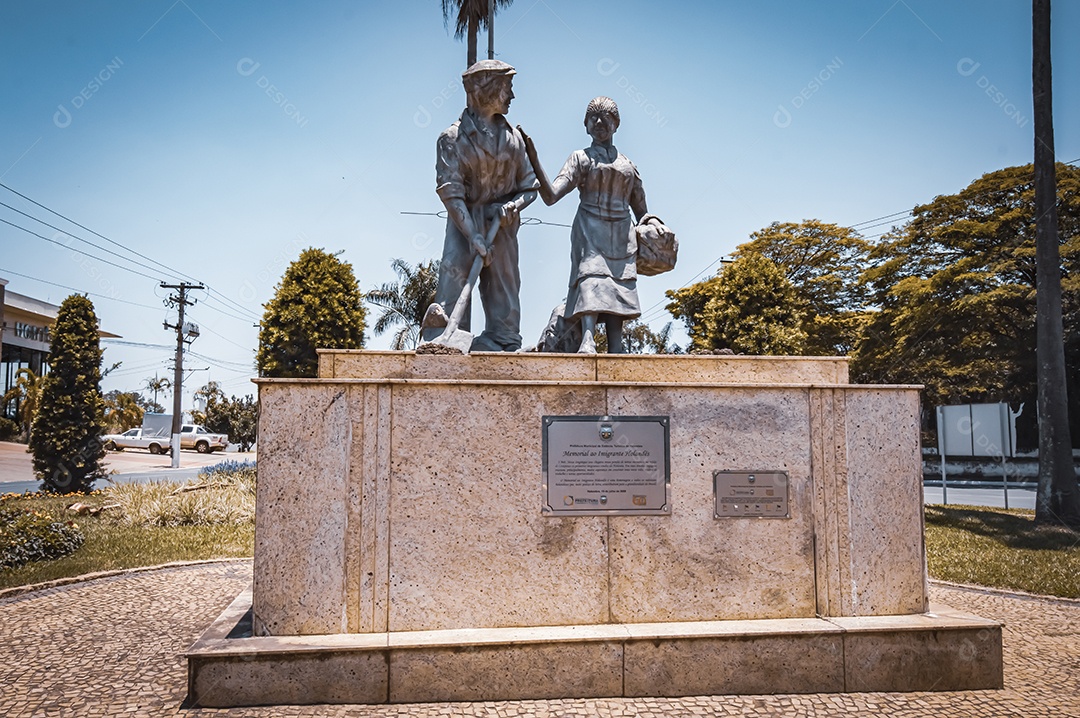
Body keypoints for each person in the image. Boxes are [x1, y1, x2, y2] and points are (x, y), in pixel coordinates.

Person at [520, 96, 656, 353]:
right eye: (593, 117)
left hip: (621, 234)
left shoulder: (628, 166)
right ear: (585, 125)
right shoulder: (580, 158)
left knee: (617, 285)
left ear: (617, 124)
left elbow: (642, 212)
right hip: (589, 230)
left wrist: (654, 225)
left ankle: (616, 345)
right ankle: (588, 339)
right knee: (591, 279)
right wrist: (534, 160)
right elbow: (551, 196)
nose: (599, 122)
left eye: (606, 117)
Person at [422, 59, 538, 352]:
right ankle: (445, 334)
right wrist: (472, 234)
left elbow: (530, 188)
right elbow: (451, 193)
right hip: (464, 223)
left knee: (506, 296)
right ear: (487, 90)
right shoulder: (452, 139)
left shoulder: (514, 139)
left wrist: (513, 206)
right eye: (507, 88)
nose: (512, 96)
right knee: (454, 281)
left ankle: (503, 341)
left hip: (503, 225)